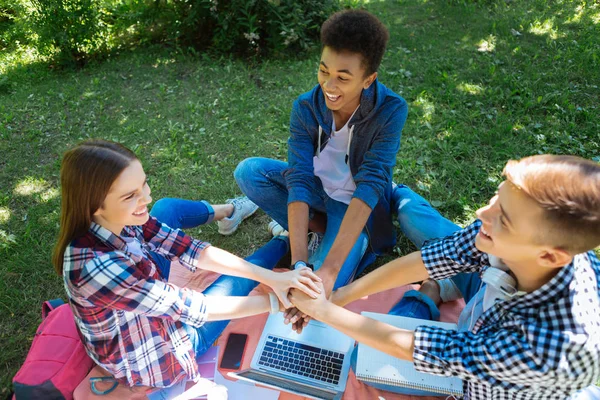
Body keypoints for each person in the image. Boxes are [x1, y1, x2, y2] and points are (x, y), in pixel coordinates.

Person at [290, 154, 600, 399]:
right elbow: (428, 259)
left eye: (503, 218)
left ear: (549, 256)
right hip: (490, 288)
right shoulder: (520, 242)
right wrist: (340, 297)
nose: (482, 214)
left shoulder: (558, 348)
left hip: (478, 382)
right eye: (497, 198)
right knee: (413, 217)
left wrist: (324, 311)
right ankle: (401, 201)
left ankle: (435, 291)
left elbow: (428, 349)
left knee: (365, 360)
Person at [53, 139, 322, 389]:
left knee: (166, 208)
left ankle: (229, 211)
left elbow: (190, 249)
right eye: (130, 196)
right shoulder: (96, 269)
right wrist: (280, 300)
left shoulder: (117, 220)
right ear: (95, 207)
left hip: (151, 305)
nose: (145, 198)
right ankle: (287, 240)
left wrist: (274, 279)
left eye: (144, 184)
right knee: (238, 281)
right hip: (161, 356)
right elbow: (191, 307)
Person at [235, 10, 438, 330]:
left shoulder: (391, 109)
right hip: (320, 192)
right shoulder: (306, 107)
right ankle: (315, 232)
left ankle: (343, 244)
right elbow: (299, 179)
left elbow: (371, 184)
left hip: (360, 211)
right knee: (249, 172)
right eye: (323, 70)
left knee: (319, 296)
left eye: (343, 77)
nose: (329, 86)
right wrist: (299, 263)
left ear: (368, 79)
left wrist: (327, 271)